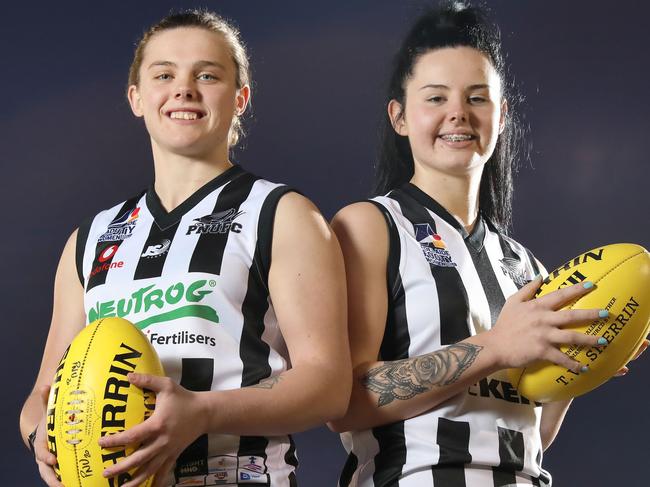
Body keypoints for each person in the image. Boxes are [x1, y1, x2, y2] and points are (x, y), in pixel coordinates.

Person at [19, 10, 351, 487]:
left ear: (240, 99)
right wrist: (42, 442)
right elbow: (42, 394)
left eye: (207, 75)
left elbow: (328, 384)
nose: (184, 89)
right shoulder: (90, 238)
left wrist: (202, 411)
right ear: (137, 98)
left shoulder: (283, 214)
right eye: (164, 74)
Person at [328, 2, 645, 486]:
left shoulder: (524, 264)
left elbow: (529, 432)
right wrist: (496, 347)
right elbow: (345, 402)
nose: (458, 112)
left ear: (501, 116)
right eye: (435, 98)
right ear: (399, 116)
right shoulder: (369, 225)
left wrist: (585, 364)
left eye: (478, 97)